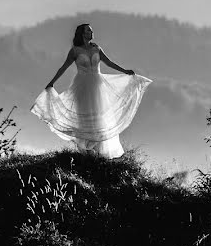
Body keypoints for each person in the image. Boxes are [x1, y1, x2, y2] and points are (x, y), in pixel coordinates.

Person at [31, 23, 152, 158]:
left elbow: (109, 62)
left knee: (99, 116)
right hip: (82, 87)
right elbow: (63, 68)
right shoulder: (75, 51)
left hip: (98, 86)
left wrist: (125, 71)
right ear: (82, 34)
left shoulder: (97, 48)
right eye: (89, 30)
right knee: (85, 117)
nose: (92, 32)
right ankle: (88, 151)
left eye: (91, 30)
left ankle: (100, 151)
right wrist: (52, 83)